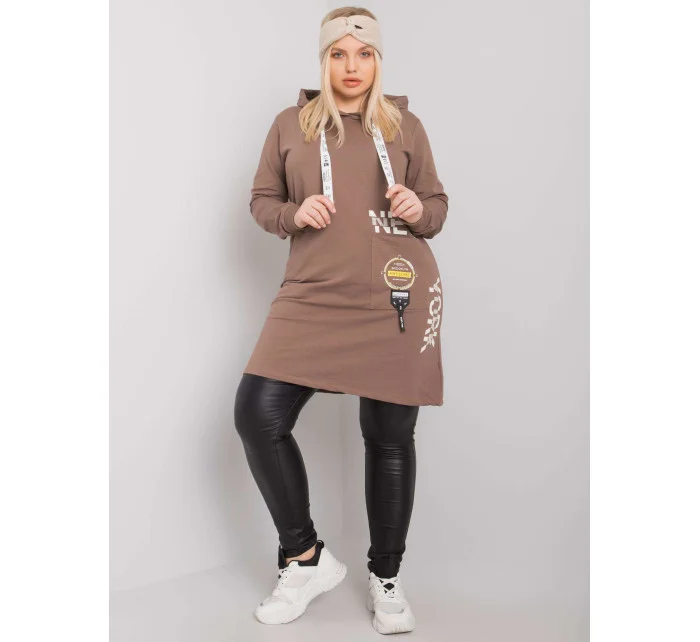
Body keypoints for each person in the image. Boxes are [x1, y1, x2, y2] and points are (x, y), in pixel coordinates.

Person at [234, 6, 448, 635]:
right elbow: (262, 200)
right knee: (257, 414)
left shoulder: (404, 125)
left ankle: (387, 578)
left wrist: (419, 209)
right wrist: (292, 215)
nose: (352, 67)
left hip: (395, 295)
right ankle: (305, 558)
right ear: (323, 59)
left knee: (389, 436)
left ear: (378, 60)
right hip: (313, 293)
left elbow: (436, 206)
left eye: (364, 54)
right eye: (338, 54)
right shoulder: (290, 125)